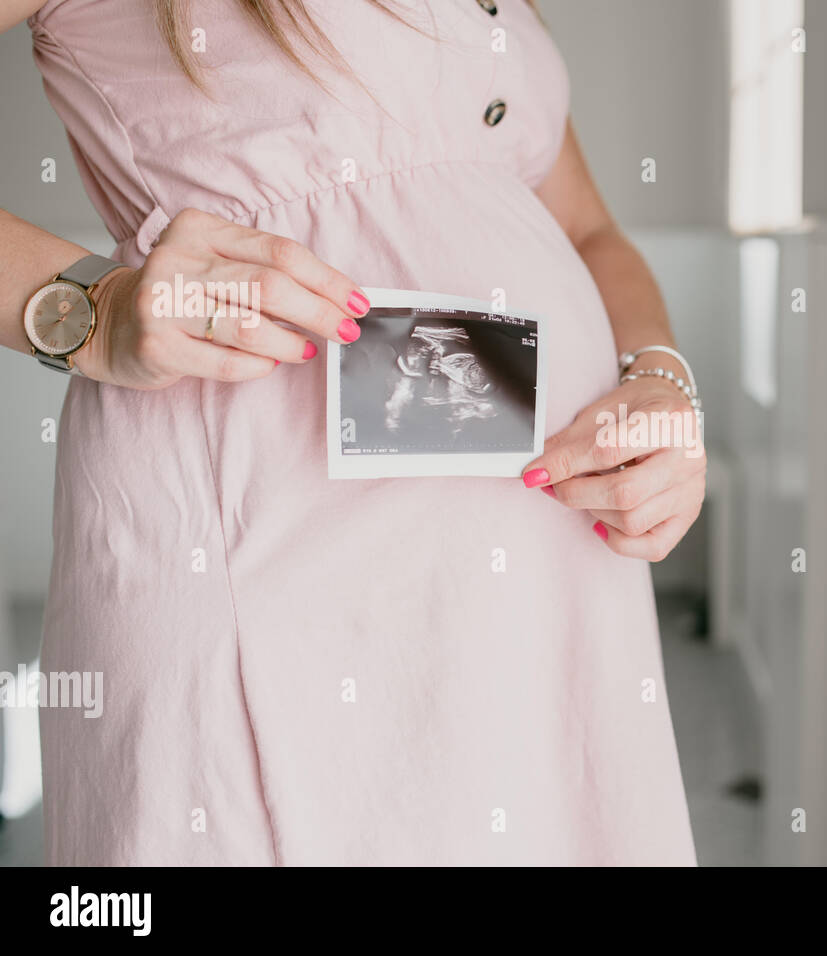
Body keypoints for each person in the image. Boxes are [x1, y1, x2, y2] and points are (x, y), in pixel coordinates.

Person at [0, 0, 704, 865]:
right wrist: (88, 312)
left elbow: (589, 229)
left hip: (552, 560)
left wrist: (662, 379)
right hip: (269, 543)